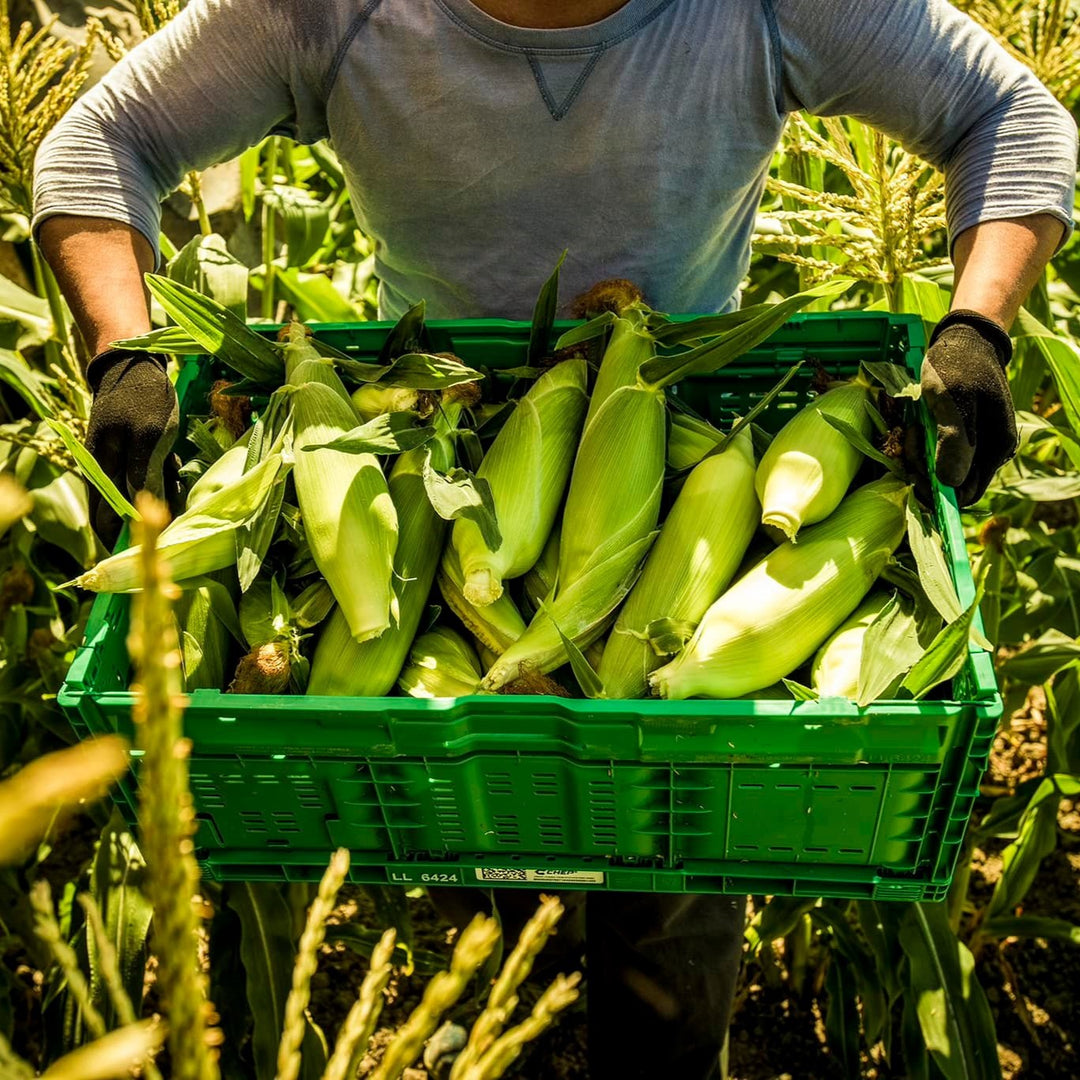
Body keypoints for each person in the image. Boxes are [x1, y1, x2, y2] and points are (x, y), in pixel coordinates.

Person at [32, 1, 1077, 1077]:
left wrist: (977, 326)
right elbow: (102, 142)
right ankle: (506, 1021)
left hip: (682, 440)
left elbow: (1012, 116)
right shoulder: (329, 12)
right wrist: (123, 347)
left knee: (671, 866)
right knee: (475, 839)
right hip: (439, 466)